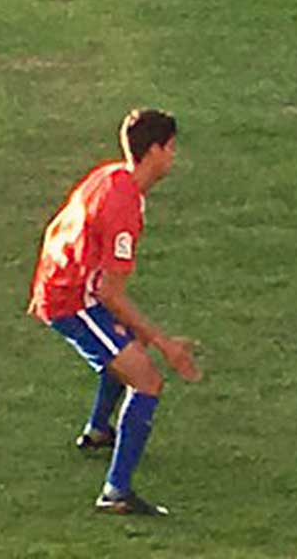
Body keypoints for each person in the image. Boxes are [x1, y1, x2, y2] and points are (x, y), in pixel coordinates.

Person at [29, 109, 200, 517]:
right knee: (147, 379)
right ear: (154, 151)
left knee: (127, 344)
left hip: (61, 282)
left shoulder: (111, 176)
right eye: (172, 149)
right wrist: (165, 343)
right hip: (73, 300)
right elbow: (109, 292)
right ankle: (116, 491)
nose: (175, 157)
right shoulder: (125, 208)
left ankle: (98, 431)